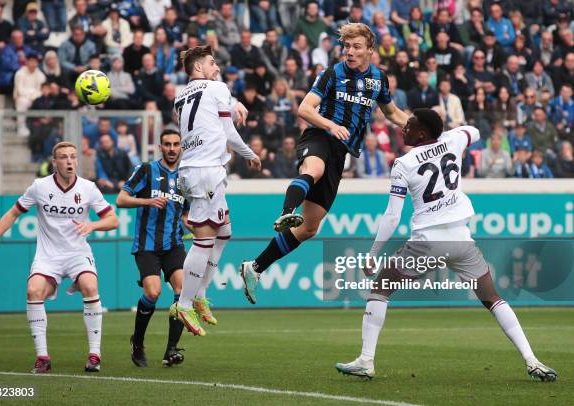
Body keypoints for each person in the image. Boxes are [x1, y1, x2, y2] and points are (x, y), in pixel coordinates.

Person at [334, 108, 557, 382]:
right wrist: (453, 135)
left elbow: (392, 216)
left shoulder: (403, 163)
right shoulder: (453, 140)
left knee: (380, 288)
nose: (403, 128)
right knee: (493, 298)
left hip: (428, 241)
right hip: (462, 240)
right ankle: (532, 360)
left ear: (422, 133)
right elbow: (474, 131)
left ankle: (366, 360)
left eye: (409, 126)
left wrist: (372, 253)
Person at [239, 23, 409, 304]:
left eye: (356, 47)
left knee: (309, 228)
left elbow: (391, 112)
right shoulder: (332, 74)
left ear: (369, 49)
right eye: (346, 47)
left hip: (341, 151)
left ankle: (254, 267)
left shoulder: (379, 79)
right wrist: (330, 125)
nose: (350, 52)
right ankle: (286, 212)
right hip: (319, 136)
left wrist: (425, 128)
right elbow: (305, 109)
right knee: (313, 170)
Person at [0, 142, 119, 373]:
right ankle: (42, 357)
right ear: (54, 162)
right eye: (63, 157)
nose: (69, 161)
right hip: (48, 255)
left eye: (73, 157)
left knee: (90, 285)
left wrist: (92, 225)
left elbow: (113, 220)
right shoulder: (39, 187)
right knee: (33, 291)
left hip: (77, 253)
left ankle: (95, 354)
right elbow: (14, 212)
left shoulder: (88, 188)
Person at [172, 45, 260, 336]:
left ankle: (199, 294)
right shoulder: (216, 87)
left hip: (192, 170)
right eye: (212, 63)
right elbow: (228, 133)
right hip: (206, 171)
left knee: (224, 232)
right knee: (205, 239)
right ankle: (184, 303)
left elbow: (204, 112)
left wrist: (233, 103)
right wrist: (249, 154)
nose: (217, 67)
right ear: (198, 67)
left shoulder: (179, 96)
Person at [116, 129, 189, 368]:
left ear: (181, 147)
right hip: (147, 246)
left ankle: (171, 350)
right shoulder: (146, 170)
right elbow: (121, 199)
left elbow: (187, 214)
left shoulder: (186, 176)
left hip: (174, 245)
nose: (171, 148)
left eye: (176, 144)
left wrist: (204, 233)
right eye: (167, 144)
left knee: (182, 291)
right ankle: (137, 343)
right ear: (160, 147)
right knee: (153, 293)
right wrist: (147, 201)